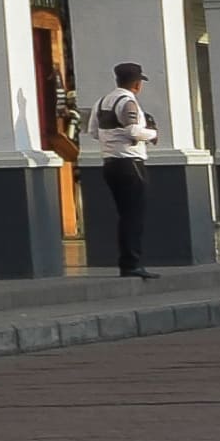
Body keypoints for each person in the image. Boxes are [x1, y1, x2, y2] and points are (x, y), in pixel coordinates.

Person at [85, 59, 159, 278]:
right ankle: (131, 264)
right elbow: (134, 132)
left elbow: (93, 132)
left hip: (109, 164)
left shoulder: (101, 102)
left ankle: (128, 262)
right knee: (134, 216)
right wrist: (153, 134)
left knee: (125, 214)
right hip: (130, 164)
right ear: (137, 84)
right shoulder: (128, 102)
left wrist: (112, 140)